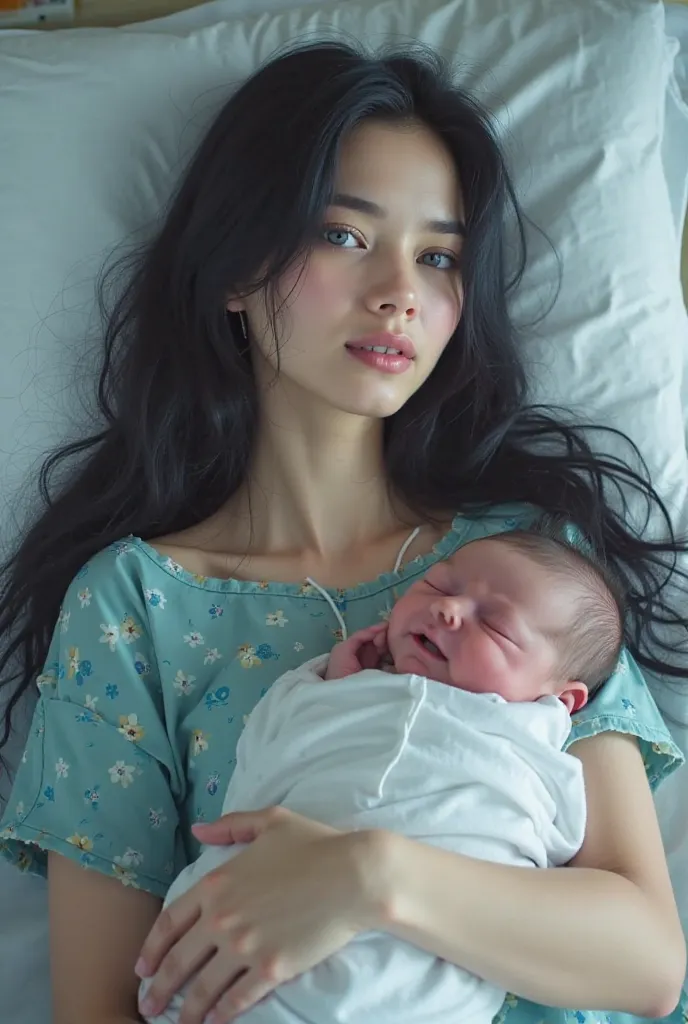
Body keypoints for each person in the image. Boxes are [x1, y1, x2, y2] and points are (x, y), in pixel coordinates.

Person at [0, 39, 686, 1024]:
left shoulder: (526, 570)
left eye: (438, 256)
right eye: (345, 235)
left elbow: (645, 961)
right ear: (235, 268)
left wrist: (369, 874)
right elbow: (96, 1007)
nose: (399, 291)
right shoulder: (132, 604)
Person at [140, 528, 621, 1024]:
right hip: (242, 945)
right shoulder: (338, 690)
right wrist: (326, 692)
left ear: (562, 700)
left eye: (496, 626)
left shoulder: (535, 746)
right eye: (438, 586)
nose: (448, 610)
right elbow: (261, 759)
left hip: (405, 981)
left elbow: (569, 860)